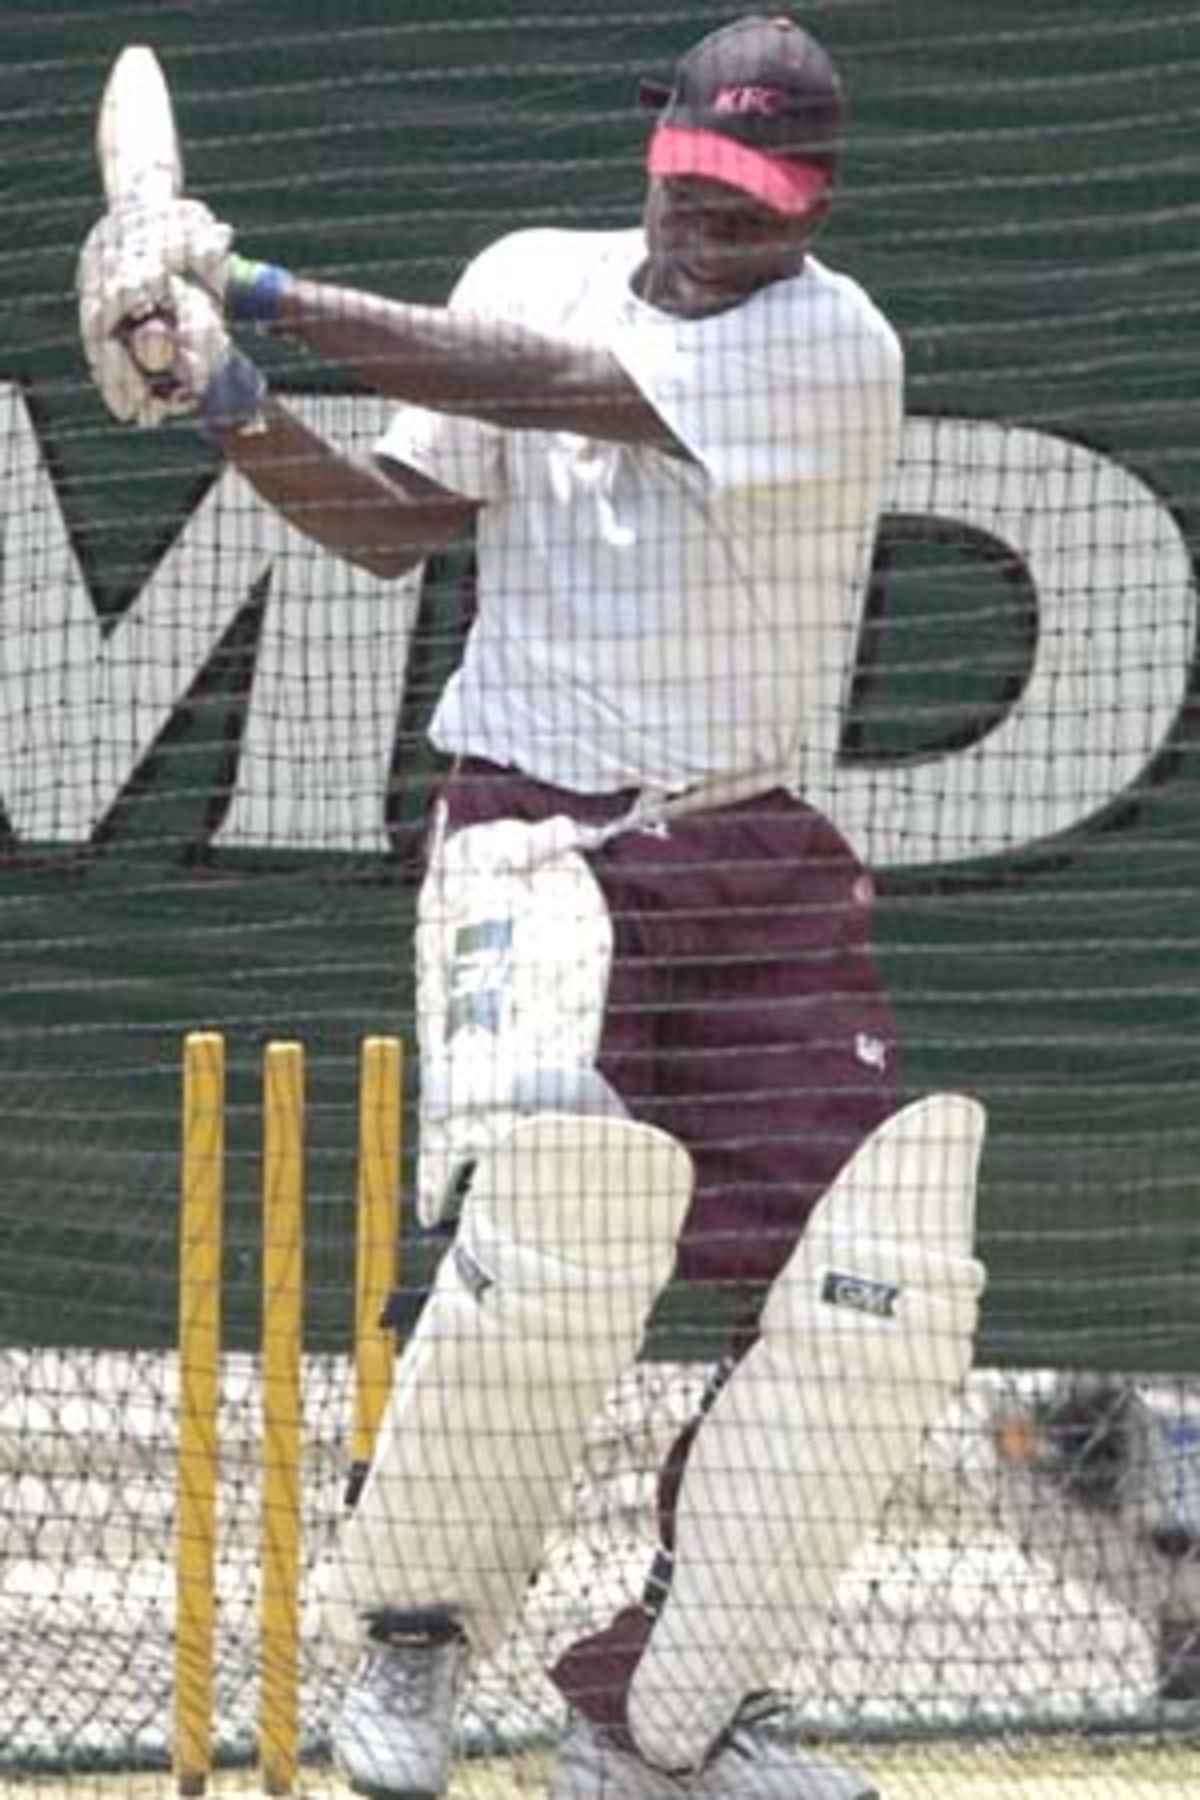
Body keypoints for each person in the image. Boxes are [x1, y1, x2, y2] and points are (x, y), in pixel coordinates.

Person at [78, 14, 988, 1799]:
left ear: (815, 213)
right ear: (651, 143)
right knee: (549, 1258)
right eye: (694, 196)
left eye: (754, 215)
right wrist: (231, 402)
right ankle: (413, 1641)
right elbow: (390, 527)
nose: (710, 240)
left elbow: (553, 389)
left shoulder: (833, 343)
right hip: (526, 833)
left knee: (877, 1287)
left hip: (755, 845)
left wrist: (253, 286)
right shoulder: (535, 269)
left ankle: (669, 1709)